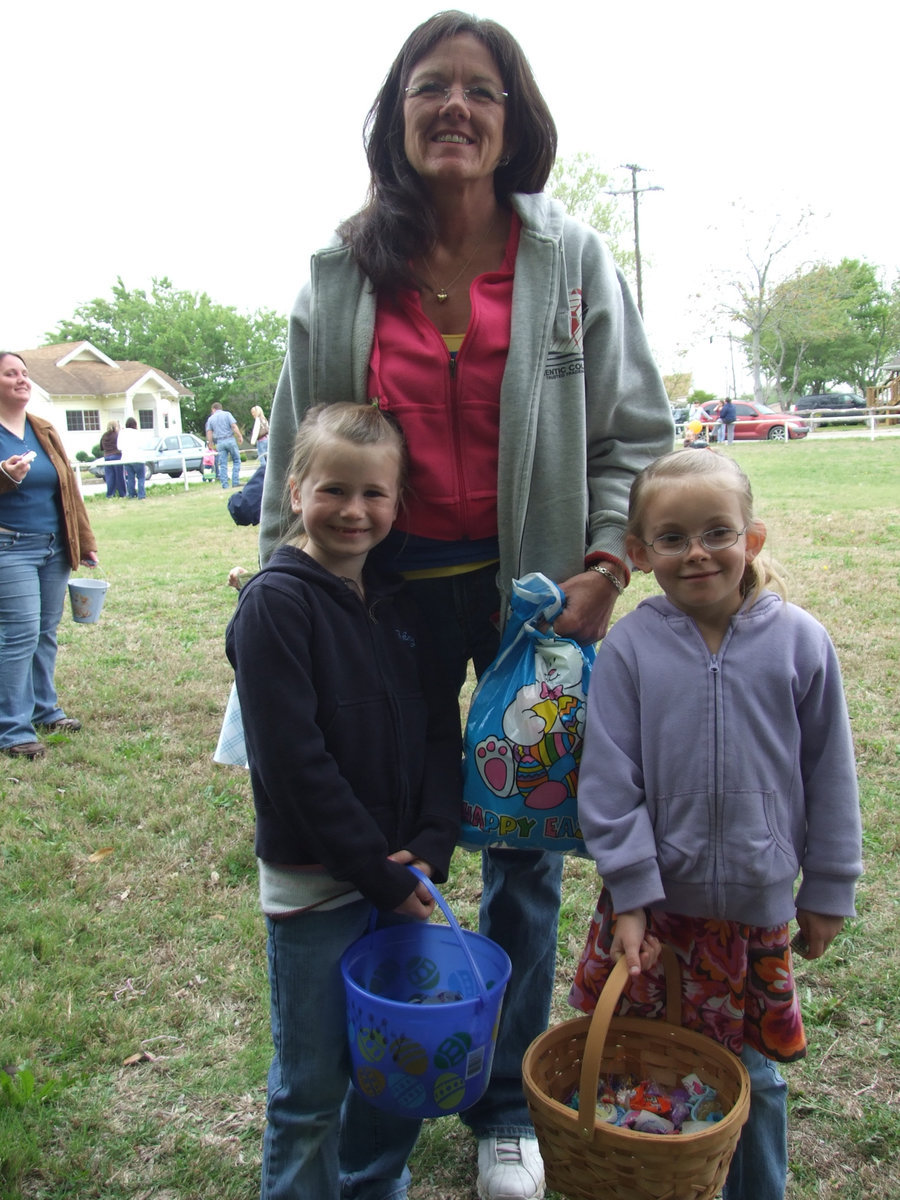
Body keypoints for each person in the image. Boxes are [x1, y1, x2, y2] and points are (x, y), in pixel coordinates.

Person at [257, 12, 673, 1198]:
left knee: (526, 862)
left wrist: (605, 559)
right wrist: (287, 591)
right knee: (395, 850)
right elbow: (300, 445)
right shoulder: (342, 272)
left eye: (479, 90)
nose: (455, 107)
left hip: (530, 620)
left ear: (513, 118)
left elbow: (632, 433)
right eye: (429, 88)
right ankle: (392, 1069)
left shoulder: (572, 259)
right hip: (373, 617)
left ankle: (501, 1105)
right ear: (396, 118)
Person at [570, 449, 862, 1200]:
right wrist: (629, 893)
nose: (696, 552)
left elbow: (831, 775)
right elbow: (608, 781)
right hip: (656, 913)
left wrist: (827, 887)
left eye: (716, 532)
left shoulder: (801, 642)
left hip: (754, 914)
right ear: (639, 553)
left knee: (752, 1078)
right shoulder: (631, 647)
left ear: (752, 539)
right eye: (671, 538)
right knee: (647, 1060)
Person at [227, 402, 462, 1200]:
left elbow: (439, 731)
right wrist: (378, 872)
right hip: (320, 886)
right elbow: (295, 765)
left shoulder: (404, 607)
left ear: (399, 505)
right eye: (333, 489)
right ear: (294, 491)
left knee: (393, 1061)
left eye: (374, 494)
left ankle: (373, 1186)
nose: (354, 511)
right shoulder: (273, 606)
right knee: (312, 1083)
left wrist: (431, 844)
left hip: (404, 880)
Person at [0, 352, 99, 759]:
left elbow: (69, 488)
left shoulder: (42, 428)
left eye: (24, 373)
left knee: (45, 632)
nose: (22, 380)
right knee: (19, 635)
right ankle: (12, 729)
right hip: (10, 547)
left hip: (54, 545)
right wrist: (5, 477)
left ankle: (45, 710)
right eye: (11, 374)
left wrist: (84, 538)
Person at [206, 401, 243, 488]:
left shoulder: (211, 419)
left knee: (223, 464)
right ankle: (235, 481)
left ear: (213, 409)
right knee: (236, 460)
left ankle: (225, 485)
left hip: (220, 442)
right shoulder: (227, 414)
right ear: (220, 408)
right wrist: (239, 436)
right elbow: (233, 426)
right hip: (230, 439)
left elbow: (209, 432)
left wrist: (210, 442)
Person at [117, 417, 147, 499]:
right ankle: (141, 495)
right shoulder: (138, 433)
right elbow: (143, 445)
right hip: (138, 458)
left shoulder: (121, 433)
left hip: (126, 458)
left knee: (130, 478)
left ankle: (131, 494)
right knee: (141, 477)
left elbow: (119, 447)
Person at [99, 420, 125, 497]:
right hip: (116, 456)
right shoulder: (117, 435)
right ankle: (122, 493)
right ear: (115, 426)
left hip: (106, 456)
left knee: (109, 477)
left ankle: (110, 494)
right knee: (119, 476)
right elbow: (120, 445)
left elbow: (101, 447)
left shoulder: (104, 435)